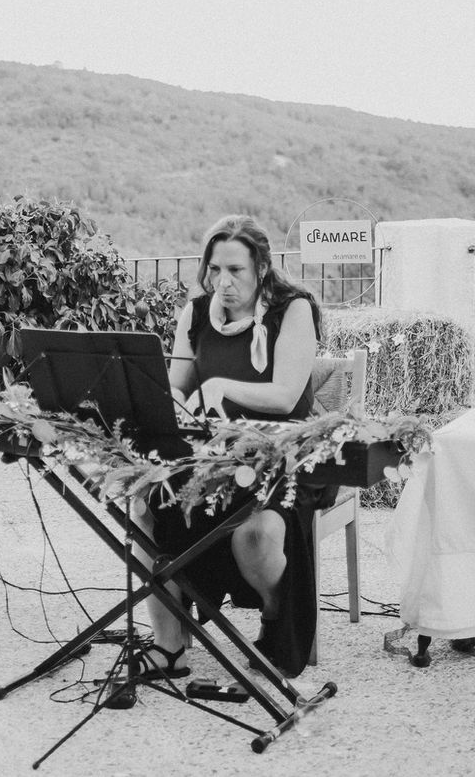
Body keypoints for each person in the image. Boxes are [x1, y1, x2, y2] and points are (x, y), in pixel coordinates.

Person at [137, 214, 335, 679]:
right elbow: (176, 390)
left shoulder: (294, 309)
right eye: (214, 270)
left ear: (262, 267)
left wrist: (222, 385)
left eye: (235, 271)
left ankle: (274, 615)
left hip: (284, 460)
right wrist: (162, 402)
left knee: (256, 535)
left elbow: (286, 395)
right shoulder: (197, 312)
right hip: (213, 457)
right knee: (144, 507)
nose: (222, 282)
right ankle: (170, 646)